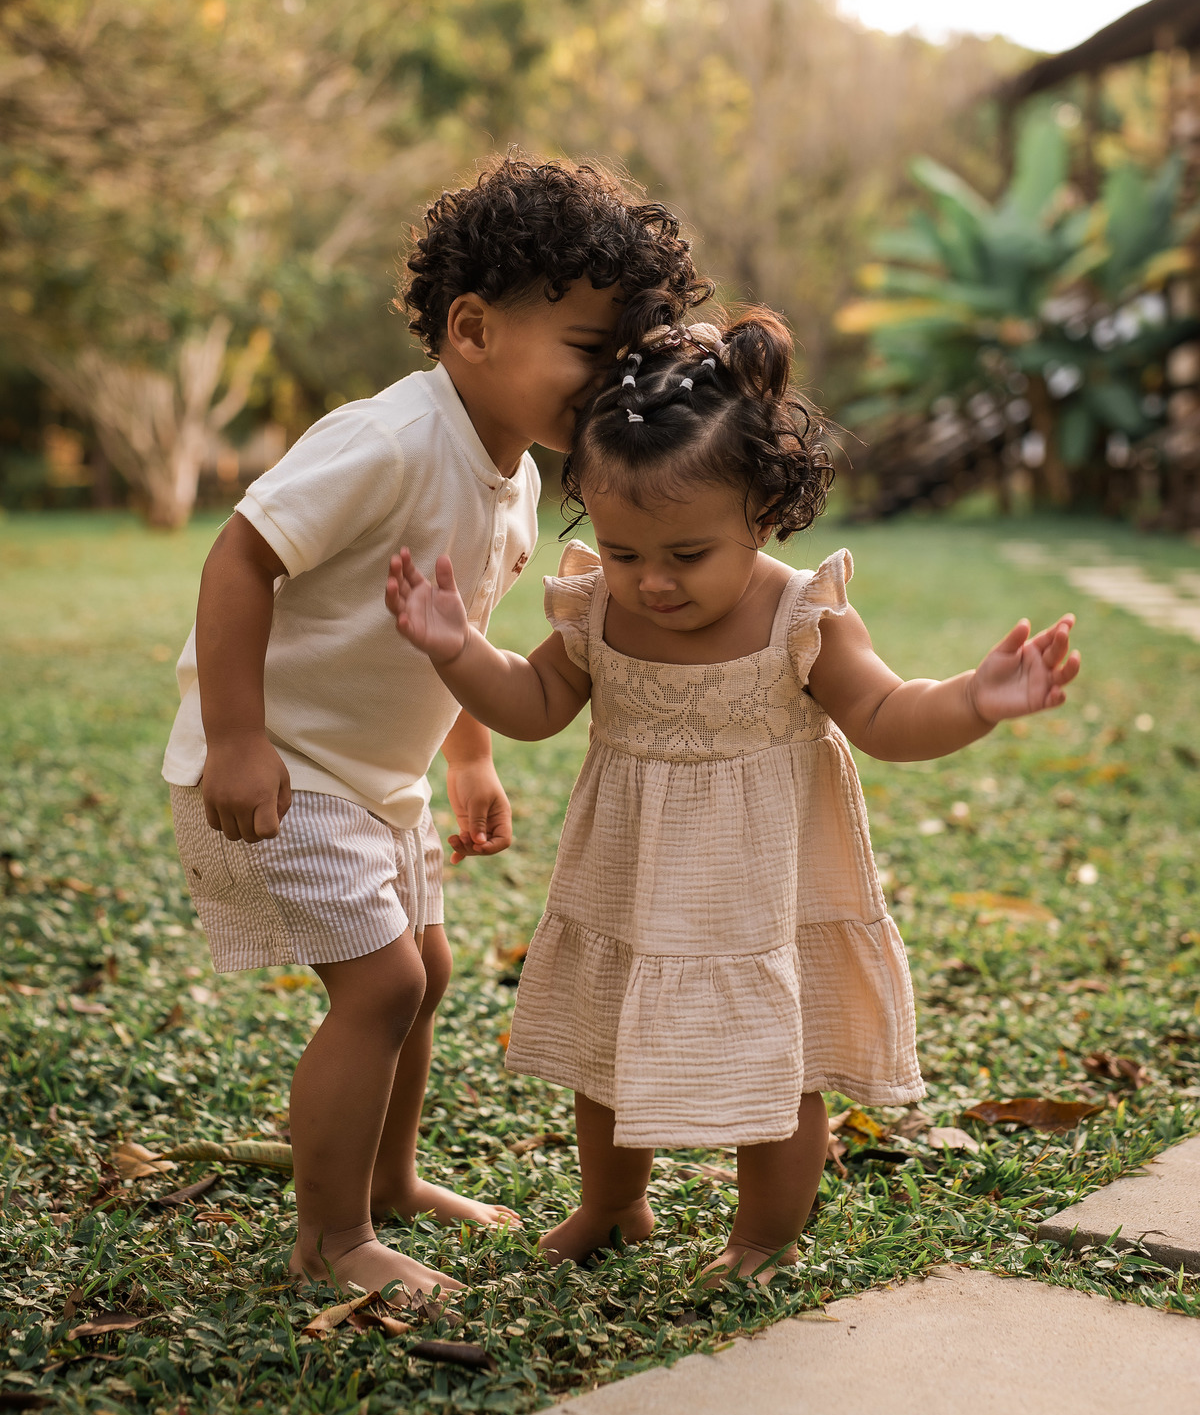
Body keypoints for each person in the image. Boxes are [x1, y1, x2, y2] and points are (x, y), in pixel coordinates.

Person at [385, 306, 1081, 1284]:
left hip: (760, 896)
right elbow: (536, 703)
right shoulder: (597, 611)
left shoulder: (803, 617)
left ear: (762, 513)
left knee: (778, 1070)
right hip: (630, 881)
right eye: (624, 552)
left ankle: (761, 1238)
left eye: (686, 556)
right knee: (607, 1052)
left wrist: (974, 699)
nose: (651, 583)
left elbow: (885, 714)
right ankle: (614, 1203)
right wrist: (459, 648)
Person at [161, 155, 708, 1299]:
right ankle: (329, 1240)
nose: (610, 385)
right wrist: (239, 737)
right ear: (471, 328)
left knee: (431, 967)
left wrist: (468, 754)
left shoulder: (510, 473)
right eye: (589, 351)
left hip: (379, 777)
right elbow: (242, 555)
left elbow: (455, 626)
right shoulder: (391, 439)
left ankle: (392, 1181)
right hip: (288, 763)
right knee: (383, 986)